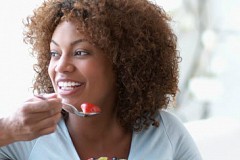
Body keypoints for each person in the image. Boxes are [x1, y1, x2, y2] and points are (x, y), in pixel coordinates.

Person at [0, 0, 202, 159]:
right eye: (54, 53)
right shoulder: (26, 134)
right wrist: (7, 129)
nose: (61, 66)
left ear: (122, 61)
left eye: (80, 52)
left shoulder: (165, 132)